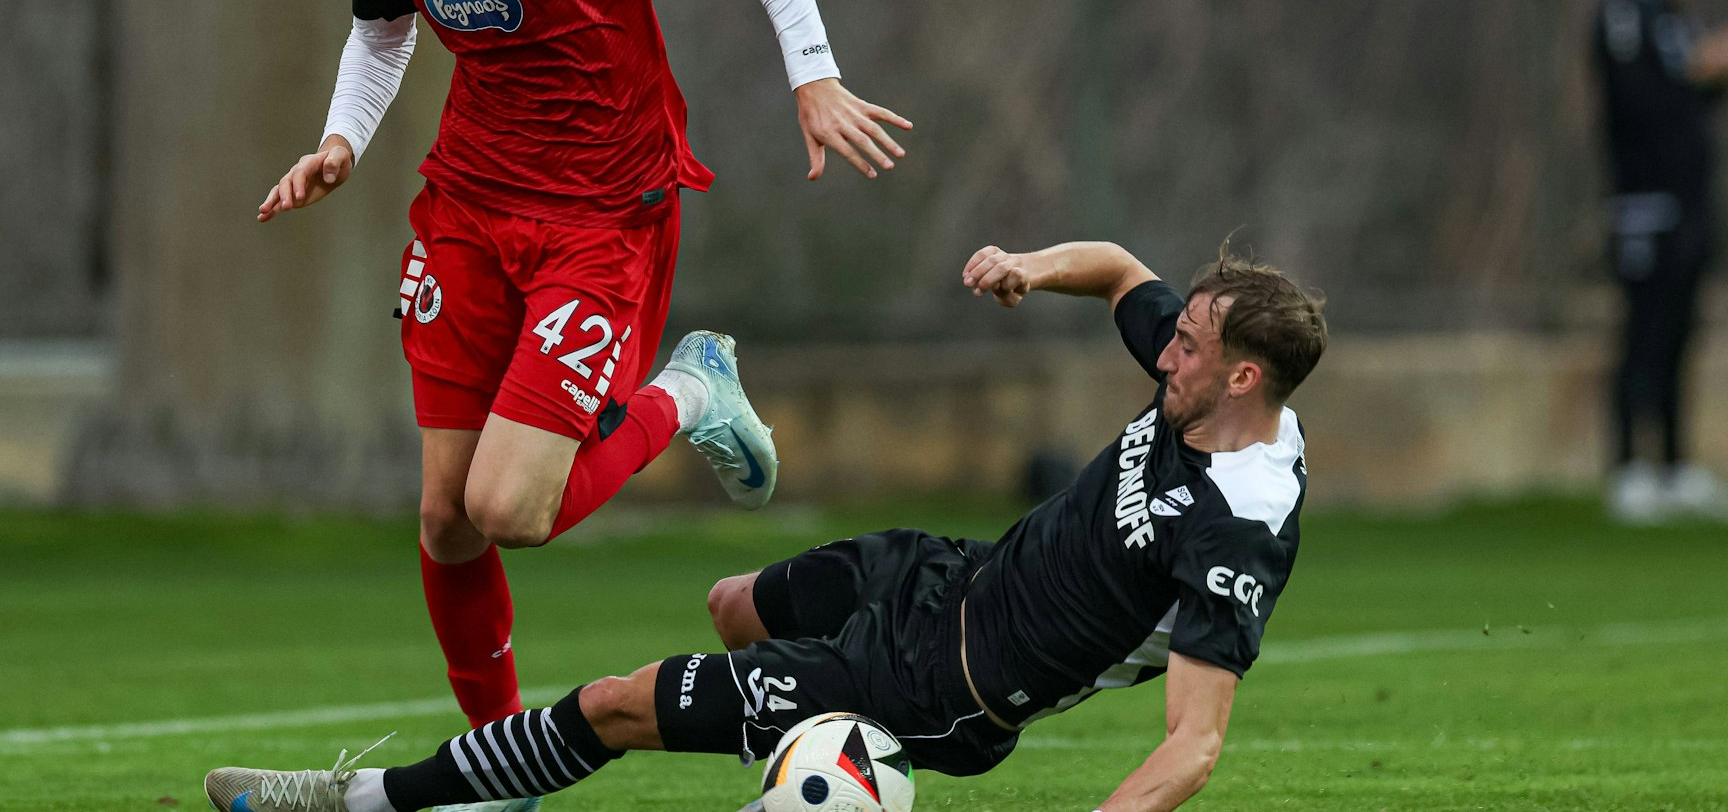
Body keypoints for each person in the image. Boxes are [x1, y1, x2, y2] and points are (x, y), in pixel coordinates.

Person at [256, 0, 915, 776]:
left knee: (509, 509)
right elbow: (381, 28)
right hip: (468, 200)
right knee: (444, 519)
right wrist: (343, 142)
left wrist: (813, 74)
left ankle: (689, 390)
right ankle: (497, 763)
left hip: (602, 209)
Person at [204, 240, 1327, 812]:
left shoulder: (1235, 524)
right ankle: (787, 740)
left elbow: (1192, 743)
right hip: (942, 573)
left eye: (1183, 346)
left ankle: (362, 799)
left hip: (940, 689)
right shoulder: (1206, 385)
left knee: (608, 704)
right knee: (732, 603)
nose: (1160, 352)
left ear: (1239, 375)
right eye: (1167, 335)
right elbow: (1123, 268)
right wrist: (1032, 267)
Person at [1591, 0, 1728, 522]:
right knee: (1642, 332)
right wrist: (1695, 75)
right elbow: (1639, 103)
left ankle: (1672, 466)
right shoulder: (1625, 8)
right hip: (1644, 203)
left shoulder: (1669, 16)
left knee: (1678, 333)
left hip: (1687, 201)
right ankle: (1628, 469)